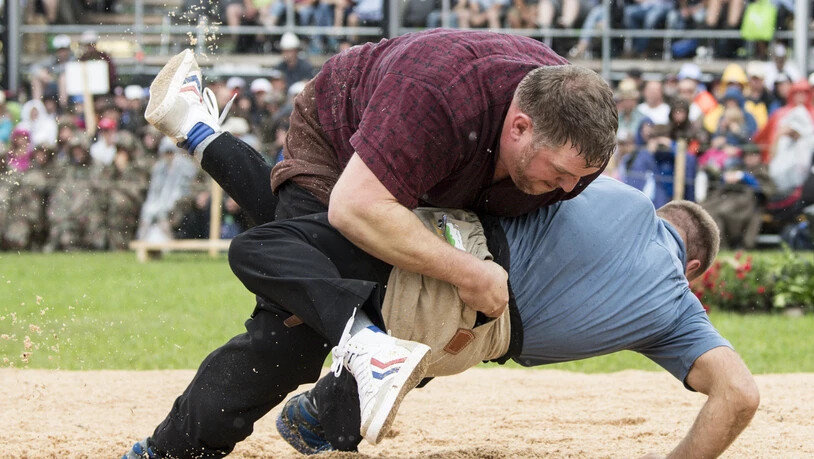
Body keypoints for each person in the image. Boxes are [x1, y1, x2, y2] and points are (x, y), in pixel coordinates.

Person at [123, 29, 618, 458]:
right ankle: (168, 452)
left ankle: (197, 129)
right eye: (559, 173)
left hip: (444, 180)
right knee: (294, 334)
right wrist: (470, 271)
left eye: (582, 177)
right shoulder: (436, 98)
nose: (569, 189)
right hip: (344, 151)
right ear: (520, 127)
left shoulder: (574, 150)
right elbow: (354, 208)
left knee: (431, 310)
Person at [276, 177, 760, 458]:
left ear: (663, 214)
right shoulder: (675, 304)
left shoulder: (620, 195)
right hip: (470, 339)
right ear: (693, 268)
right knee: (401, 356)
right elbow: (740, 394)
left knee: (285, 237)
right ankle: (322, 411)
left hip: (443, 242)